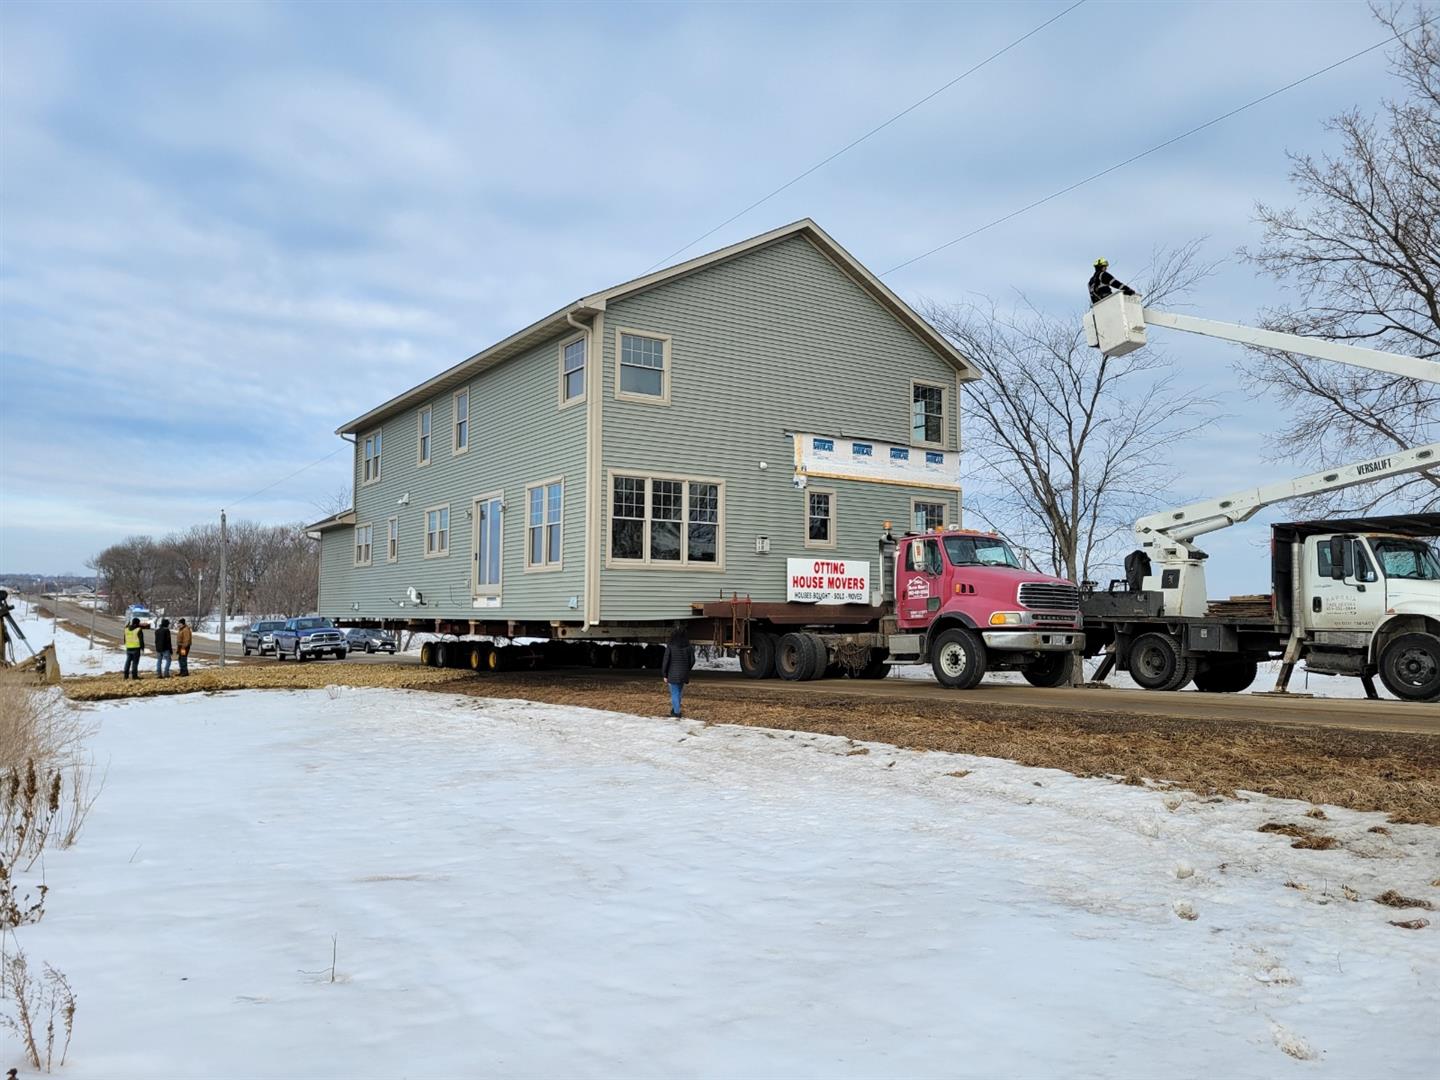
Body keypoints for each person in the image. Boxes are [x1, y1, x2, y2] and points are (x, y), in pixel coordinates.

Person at [661, 624, 695, 718]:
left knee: (675, 693)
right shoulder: (688, 646)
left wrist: (664, 674)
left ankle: (677, 713)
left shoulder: (671, 646)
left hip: (672, 674)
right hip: (683, 673)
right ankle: (675, 709)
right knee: (679, 692)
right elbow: (692, 660)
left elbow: (666, 660)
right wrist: (687, 669)